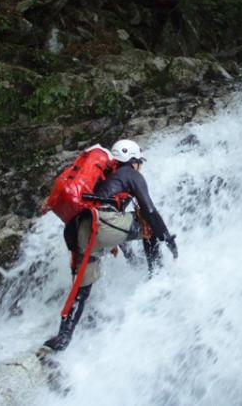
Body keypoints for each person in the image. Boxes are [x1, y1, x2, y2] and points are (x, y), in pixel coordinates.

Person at [43, 139, 178, 351]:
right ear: (133, 160)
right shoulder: (131, 174)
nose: (140, 166)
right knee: (148, 225)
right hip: (104, 225)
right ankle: (158, 277)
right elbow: (150, 211)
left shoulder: (105, 179)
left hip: (84, 230)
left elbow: (117, 233)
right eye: (139, 162)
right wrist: (167, 239)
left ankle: (63, 338)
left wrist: (132, 259)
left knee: (81, 290)